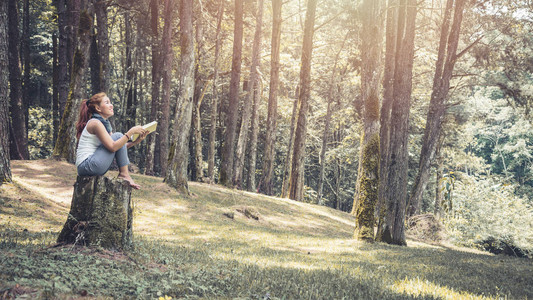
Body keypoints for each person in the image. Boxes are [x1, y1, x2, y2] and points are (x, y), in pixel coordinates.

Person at [75, 92, 148, 189]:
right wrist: (130, 132)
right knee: (118, 135)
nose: (111, 105)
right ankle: (124, 174)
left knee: (118, 137)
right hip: (86, 165)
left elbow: (118, 147)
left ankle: (124, 174)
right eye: (107, 102)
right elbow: (113, 147)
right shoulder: (95, 123)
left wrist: (135, 142)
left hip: (90, 166)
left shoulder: (103, 124)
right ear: (98, 108)